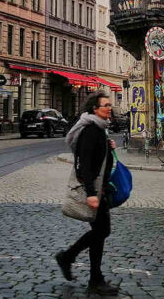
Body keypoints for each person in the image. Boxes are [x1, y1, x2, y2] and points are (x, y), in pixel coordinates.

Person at [55, 91, 118, 296]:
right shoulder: (91, 130)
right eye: (106, 105)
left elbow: (96, 155)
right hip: (94, 190)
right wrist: (91, 193)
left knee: (100, 233)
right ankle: (70, 259)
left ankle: (92, 276)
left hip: (101, 189)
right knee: (101, 231)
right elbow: (84, 164)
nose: (110, 108)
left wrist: (108, 146)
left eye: (110, 105)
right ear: (95, 109)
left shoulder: (99, 129)